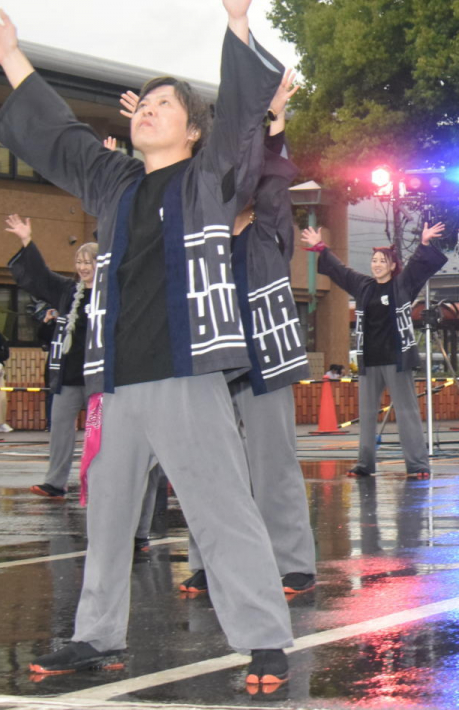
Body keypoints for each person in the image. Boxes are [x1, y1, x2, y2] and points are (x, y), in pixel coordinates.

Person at [0, 0, 295, 686]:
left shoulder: (209, 177)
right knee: (106, 514)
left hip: (185, 371)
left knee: (220, 509)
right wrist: (10, 56)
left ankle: (262, 640)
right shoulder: (117, 181)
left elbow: (240, 127)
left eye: (167, 104)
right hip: (116, 377)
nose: (151, 108)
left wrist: (236, 23)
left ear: (192, 132)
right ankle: (97, 636)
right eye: (147, 102)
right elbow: (61, 138)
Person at [173, 70, 317, 596]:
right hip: (210, 349)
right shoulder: (201, 228)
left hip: (264, 351)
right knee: (210, 463)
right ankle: (209, 560)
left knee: (271, 457)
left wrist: (274, 122)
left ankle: (292, 560)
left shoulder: (269, 232)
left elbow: (273, 179)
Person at [301, 223, 447, 479]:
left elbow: (416, 267)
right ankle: (364, 464)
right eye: (374, 260)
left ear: (392, 266)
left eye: (383, 261)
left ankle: (417, 465)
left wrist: (423, 244)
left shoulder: (402, 285)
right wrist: (321, 247)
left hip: (397, 358)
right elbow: (341, 271)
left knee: (407, 413)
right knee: (366, 416)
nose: (377, 264)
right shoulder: (363, 286)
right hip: (369, 360)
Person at [5, 217, 96, 498]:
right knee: (59, 428)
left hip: (101, 377)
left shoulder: (113, 293)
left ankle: (100, 483)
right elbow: (41, 276)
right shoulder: (68, 291)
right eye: (79, 262)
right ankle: (56, 483)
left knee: (102, 435)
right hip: (69, 375)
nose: (82, 267)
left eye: (88, 262)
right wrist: (26, 240)